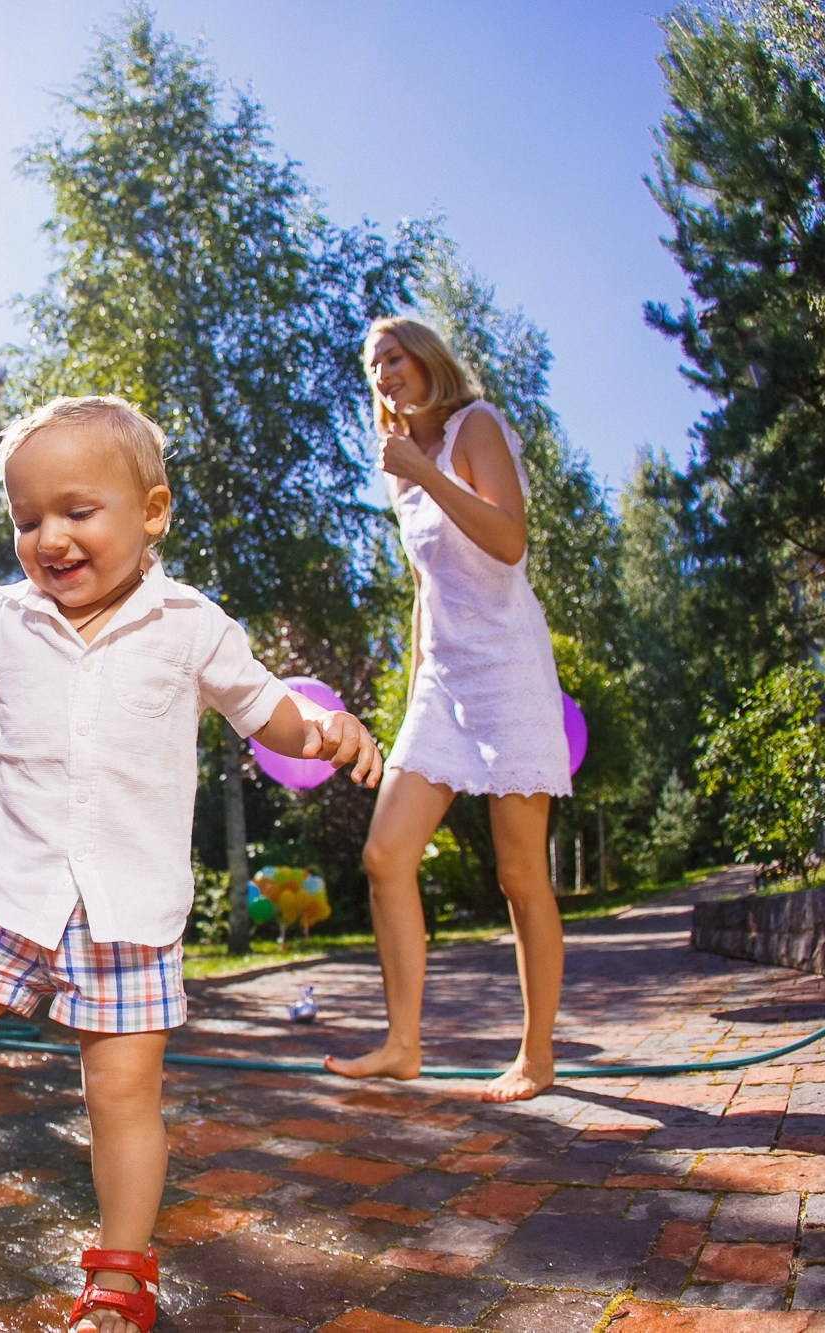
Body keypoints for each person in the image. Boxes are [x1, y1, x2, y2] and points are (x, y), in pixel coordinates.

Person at [0, 396, 382, 1333]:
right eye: (25, 519)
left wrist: (327, 729)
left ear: (153, 511)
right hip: (7, 889)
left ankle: (123, 1266)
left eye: (76, 511)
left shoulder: (192, 626)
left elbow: (269, 712)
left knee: (121, 1096)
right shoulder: (6, 621)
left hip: (127, 912)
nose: (49, 537)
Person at [323, 317, 570, 1104]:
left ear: (425, 358)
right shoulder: (400, 471)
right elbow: (428, 585)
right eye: (372, 366)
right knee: (385, 854)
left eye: (393, 356)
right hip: (443, 679)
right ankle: (403, 1044)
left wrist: (427, 475)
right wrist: (419, 669)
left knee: (518, 871)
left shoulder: (476, 425)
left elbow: (507, 541)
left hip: (508, 668)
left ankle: (536, 1056)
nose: (383, 373)